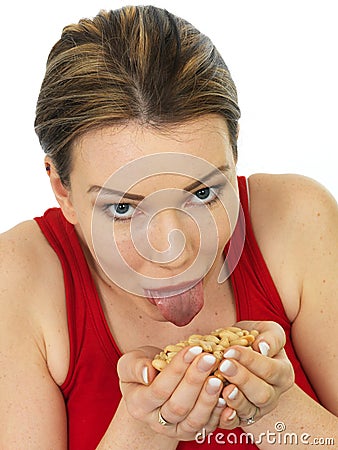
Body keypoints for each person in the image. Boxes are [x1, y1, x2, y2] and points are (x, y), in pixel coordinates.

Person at [0, 5, 337, 449]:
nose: (176, 250)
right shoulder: (17, 277)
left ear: (234, 156)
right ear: (63, 190)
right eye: (123, 208)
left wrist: (275, 409)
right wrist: (143, 429)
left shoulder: (298, 219)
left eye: (202, 194)